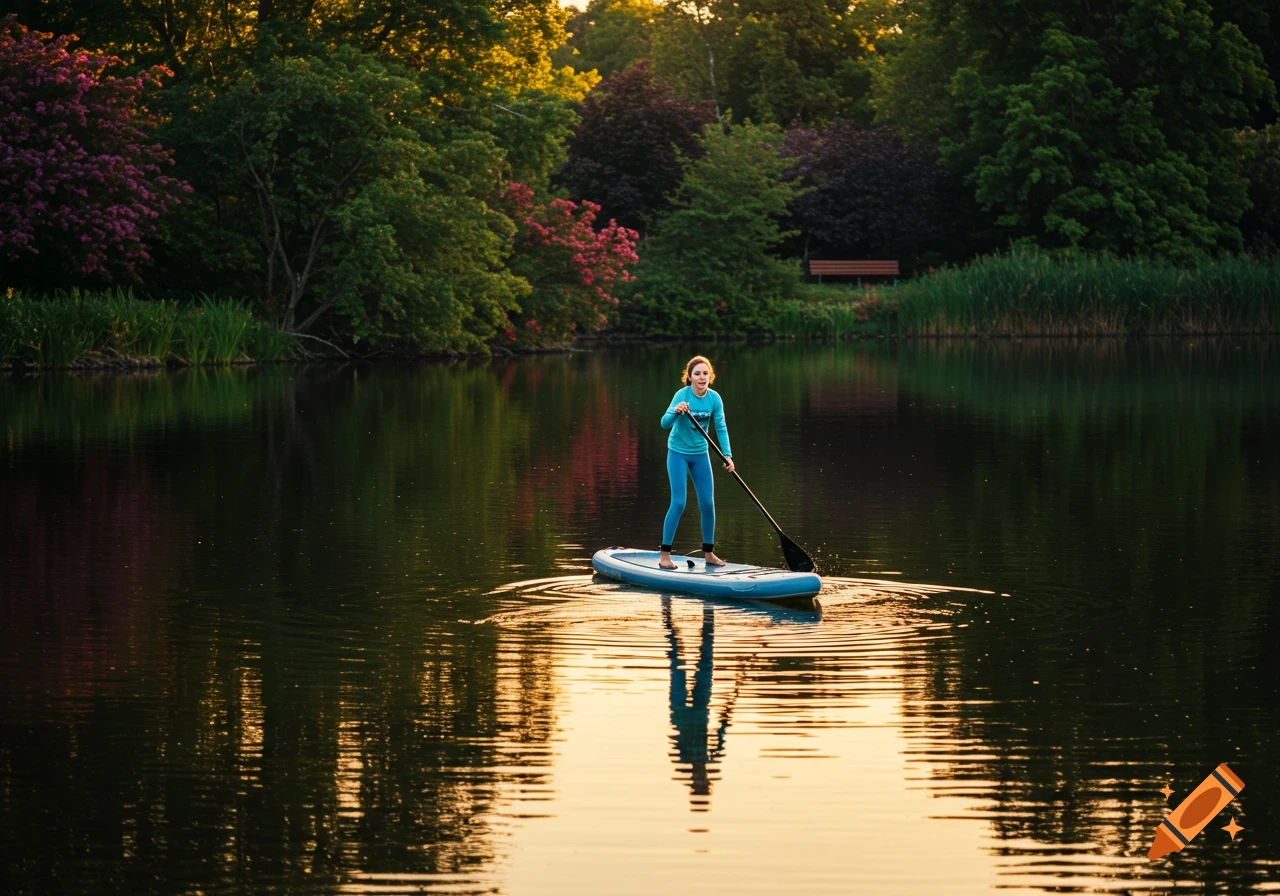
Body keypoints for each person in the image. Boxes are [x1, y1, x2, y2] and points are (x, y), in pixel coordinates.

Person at [659, 355, 734, 569]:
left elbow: (721, 427)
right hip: (678, 453)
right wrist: (676, 411)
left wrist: (727, 455)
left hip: (701, 455)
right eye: (697, 373)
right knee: (679, 502)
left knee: (708, 504)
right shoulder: (681, 396)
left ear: (711, 376)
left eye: (705, 373)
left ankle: (708, 553)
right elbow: (664, 424)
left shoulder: (714, 399)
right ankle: (665, 556)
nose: (702, 377)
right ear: (689, 377)